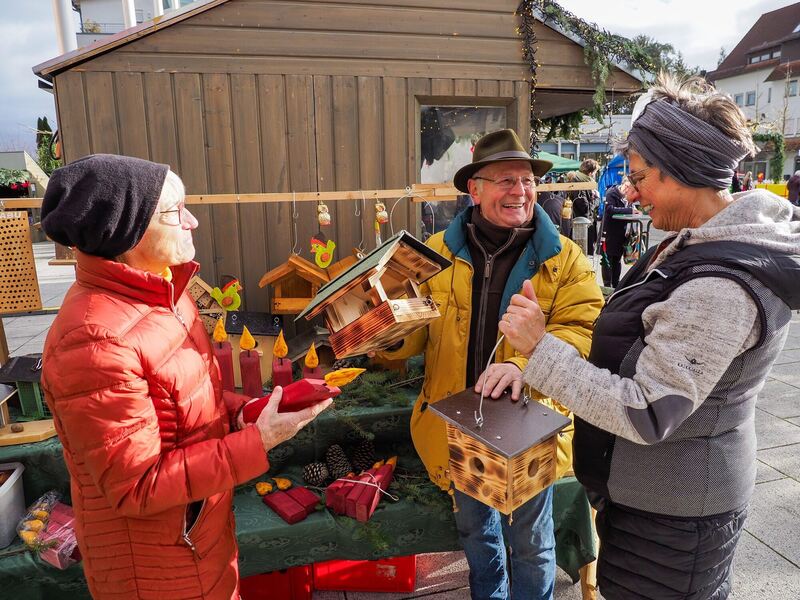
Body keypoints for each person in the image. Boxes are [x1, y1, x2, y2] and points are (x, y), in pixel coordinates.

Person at [498, 76, 800, 600]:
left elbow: (648, 410)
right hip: (652, 499)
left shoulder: (719, 286)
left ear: (685, 173)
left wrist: (541, 350)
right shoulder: (695, 242)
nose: (629, 191)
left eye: (640, 177)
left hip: (677, 515)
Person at [39, 154, 332, 600]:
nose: (192, 221)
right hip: (155, 566)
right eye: (175, 211)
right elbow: (137, 487)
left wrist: (250, 411)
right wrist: (261, 441)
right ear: (126, 230)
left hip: (197, 536)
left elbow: (194, 403)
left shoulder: (167, 295)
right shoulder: (93, 341)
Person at [378, 129, 604, 600]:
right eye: (505, 179)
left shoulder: (564, 260)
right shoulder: (435, 253)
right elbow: (416, 332)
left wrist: (530, 361)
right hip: (460, 425)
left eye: (525, 179)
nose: (519, 190)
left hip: (529, 426)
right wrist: (389, 334)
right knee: (478, 538)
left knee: (532, 544)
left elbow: (586, 331)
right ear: (474, 189)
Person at [598, 181, 638, 287]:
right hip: (608, 233)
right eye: (626, 185)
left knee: (617, 260)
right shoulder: (611, 192)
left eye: (630, 188)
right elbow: (610, 209)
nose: (627, 189)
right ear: (623, 183)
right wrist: (630, 210)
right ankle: (607, 285)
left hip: (620, 233)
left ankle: (616, 285)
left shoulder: (627, 197)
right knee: (607, 259)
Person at [567, 159, 600, 255]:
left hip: (581, 224)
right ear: (590, 173)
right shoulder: (580, 183)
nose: (595, 176)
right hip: (581, 226)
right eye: (595, 173)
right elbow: (585, 208)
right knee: (582, 254)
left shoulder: (581, 181)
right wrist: (596, 199)